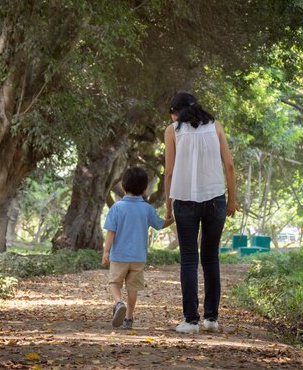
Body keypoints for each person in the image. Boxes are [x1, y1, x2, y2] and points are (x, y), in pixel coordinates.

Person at [164, 92, 238, 334]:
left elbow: (169, 173)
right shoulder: (215, 126)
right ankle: (212, 319)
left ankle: (190, 321)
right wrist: (232, 200)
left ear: (177, 111)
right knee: (210, 258)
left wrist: (168, 206)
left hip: (184, 200)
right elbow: (229, 164)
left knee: (188, 258)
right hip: (215, 198)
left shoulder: (172, 131)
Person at [102, 167, 174, 330]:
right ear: (145, 188)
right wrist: (172, 218)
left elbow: (111, 233)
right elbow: (160, 224)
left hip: (119, 256)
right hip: (138, 257)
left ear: (123, 186)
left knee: (114, 283)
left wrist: (106, 252)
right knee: (133, 288)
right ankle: (129, 318)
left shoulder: (117, 208)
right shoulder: (147, 209)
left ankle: (119, 302)